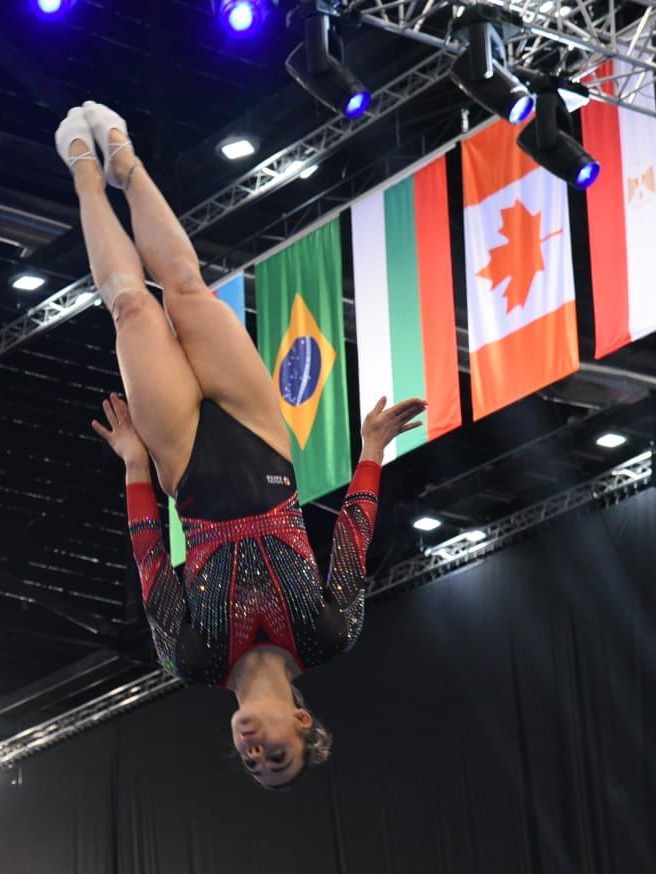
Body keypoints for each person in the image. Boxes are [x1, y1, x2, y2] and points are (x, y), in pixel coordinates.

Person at [59, 101, 425, 788]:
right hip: (263, 450)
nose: (256, 750)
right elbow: (351, 538)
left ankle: (82, 173)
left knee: (133, 307)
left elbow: (150, 564)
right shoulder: (327, 635)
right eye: (276, 756)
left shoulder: (191, 662)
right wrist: (371, 450)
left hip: (185, 470)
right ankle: (123, 158)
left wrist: (137, 463)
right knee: (189, 290)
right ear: (304, 724)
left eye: (251, 764)